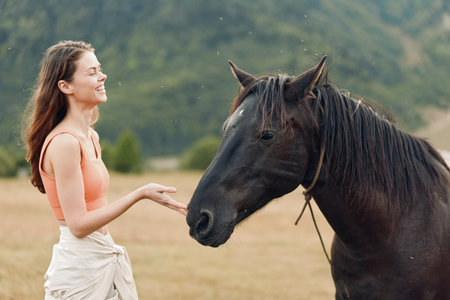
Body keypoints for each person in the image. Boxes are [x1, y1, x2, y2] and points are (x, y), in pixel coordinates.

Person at [23, 40, 188, 299]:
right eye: (92, 72)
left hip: (102, 255)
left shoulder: (90, 136)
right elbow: (77, 225)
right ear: (65, 86)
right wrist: (140, 194)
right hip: (80, 268)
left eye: (99, 69)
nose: (103, 76)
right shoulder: (65, 143)